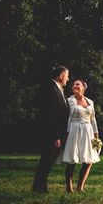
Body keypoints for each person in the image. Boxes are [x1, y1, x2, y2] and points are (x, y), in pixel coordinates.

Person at [57, 78, 101, 193]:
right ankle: (69, 188)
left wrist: (96, 138)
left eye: (77, 84)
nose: (74, 86)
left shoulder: (90, 102)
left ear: (84, 87)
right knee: (72, 160)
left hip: (88, 131)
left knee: (89, 161)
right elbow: (65, 119)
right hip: (73, 131)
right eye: (73, 85)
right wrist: (64, 135)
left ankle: (80, 187)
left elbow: (93, 120)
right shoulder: (69, 101)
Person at [32, 65, 70, 193]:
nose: (68, 79)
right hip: (51, 133)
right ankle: (39, 187)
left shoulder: (58, 89)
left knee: (48, 160)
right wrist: (56, 136)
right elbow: (51, 114)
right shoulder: (51, 89)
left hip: (56, 132)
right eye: (67, 76)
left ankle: (39, 185)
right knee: (47, 160)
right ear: (61, 76)